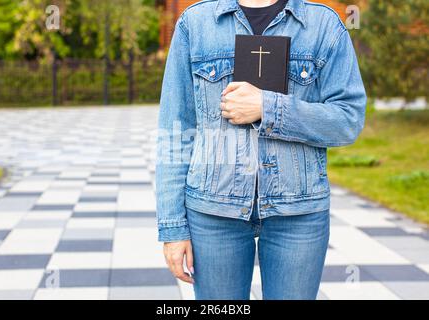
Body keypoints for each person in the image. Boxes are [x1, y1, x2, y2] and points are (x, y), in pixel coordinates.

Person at [156, 0, 366, 300]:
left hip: (298, 212)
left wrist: (268, 107)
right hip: (213, 212)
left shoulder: (323, 25)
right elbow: (174, 132)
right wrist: (173, 227)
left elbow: (348, 120)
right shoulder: (196, 23)